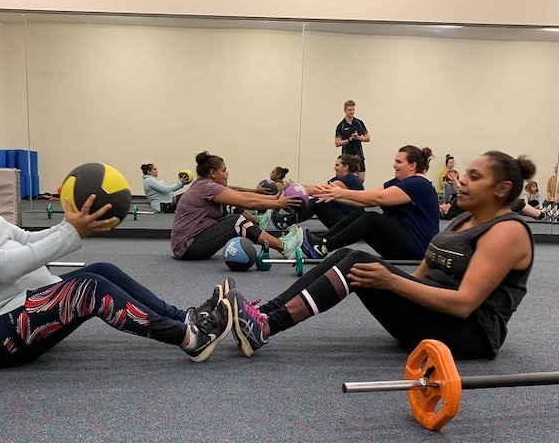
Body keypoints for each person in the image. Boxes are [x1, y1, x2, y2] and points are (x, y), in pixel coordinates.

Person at [0, 137, 234, 374]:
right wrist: (72, 232)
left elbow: (20, 239)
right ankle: (190, 338)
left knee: (101, 270)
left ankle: (185, 317)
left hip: (11, 305)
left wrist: (71, 225)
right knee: (88, 289)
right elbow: (0, 266)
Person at [224, 150, 536, 360]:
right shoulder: (463, 220)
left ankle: (263, 328)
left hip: (471, 337)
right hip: (433, 320)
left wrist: (391, 283)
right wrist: (399, 292)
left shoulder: (506, 232)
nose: (462, 180)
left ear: (502, 189)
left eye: (475, 177)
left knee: (361, 261)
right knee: (347, 255)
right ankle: (263, 314)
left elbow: (464, 304)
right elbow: (422, 276)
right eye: (466, 173)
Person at [301, 145, 440, 261]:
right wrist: (334, 195)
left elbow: (379, 198)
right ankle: (321, 243)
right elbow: (365, 200)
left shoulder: (419, 183)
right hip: (405, 241)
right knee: (359, 214)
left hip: (417, 247)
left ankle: (324, 246)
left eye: (399, 162)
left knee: (371, 218)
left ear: (412, 165)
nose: (394, 165)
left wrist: (341, 192)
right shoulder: (400, 181)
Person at [171, 151, 304, 260]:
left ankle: (277, 238)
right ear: (212, 173)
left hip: (187, 244)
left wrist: (272, 198)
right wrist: (278, 203)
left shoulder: (204, 184)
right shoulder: (208, 187)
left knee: (231, 213)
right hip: (187, 247)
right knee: (236, 221)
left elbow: (242, 196)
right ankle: (283, 246)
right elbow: (247, 202)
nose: (227, 174)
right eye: (224, 170)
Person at [295, 154, 365, 229]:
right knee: (318, 201)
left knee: (318, 202)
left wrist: (296, 190)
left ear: (345, 167)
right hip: (346, 218)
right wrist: (297, 185)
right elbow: (318, 186)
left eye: (337, 165)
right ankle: (287, 219)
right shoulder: (340, 178)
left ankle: (286, 221)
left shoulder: (348, 180)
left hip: (350, 224)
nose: (334, 168)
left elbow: (320, 191)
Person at [334, 99, 370, 183]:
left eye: (353, 109)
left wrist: (358, 137)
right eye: (350, 110)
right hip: (347, 156)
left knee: (361, 179)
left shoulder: (359, 123)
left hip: (358, 154)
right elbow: (337, 143)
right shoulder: (341, 126)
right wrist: (349, 140)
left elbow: (367, 138)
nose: (352, 112)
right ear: (345, 110)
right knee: (345, 179)